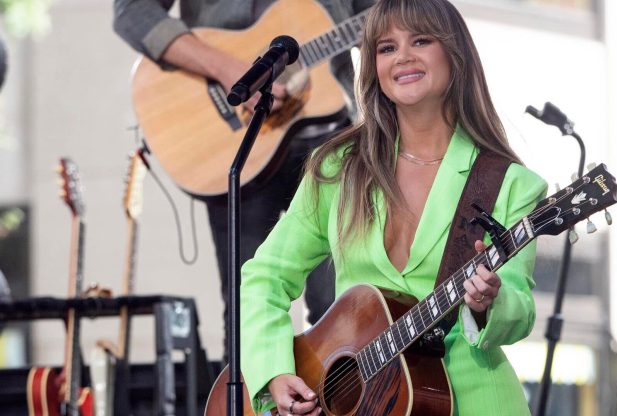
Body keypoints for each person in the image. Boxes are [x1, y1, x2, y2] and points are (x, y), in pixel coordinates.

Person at [240, 0, 548, 414]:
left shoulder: (511, 183)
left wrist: (491, 302)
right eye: (386, 47)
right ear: (373, 67)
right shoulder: (339, 168)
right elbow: (266, 276)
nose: (402, 56)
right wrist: (274, 371)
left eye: (420, 40)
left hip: (474, 400)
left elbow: (521, 309)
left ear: (454, 53)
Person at [112, 0, 375, 360]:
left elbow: (383, 15)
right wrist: (228, 69)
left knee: (340, 304)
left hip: (331, 134)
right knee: (246, 313)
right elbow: (132, 11)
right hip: (233, 140)